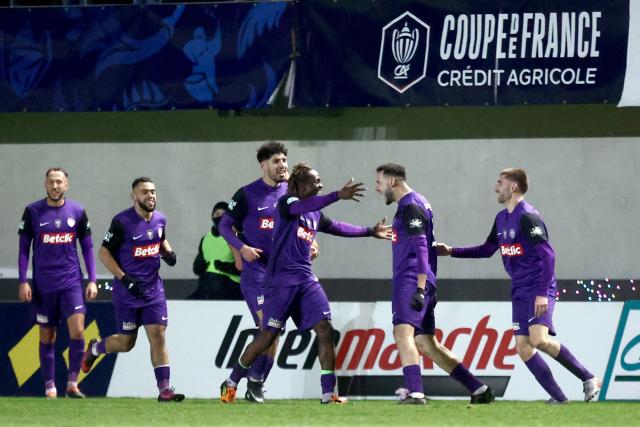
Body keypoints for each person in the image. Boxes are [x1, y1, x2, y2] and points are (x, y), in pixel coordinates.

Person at [220, 163, 391, 404]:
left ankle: (328, 393)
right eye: (316, 181)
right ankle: (231, 382)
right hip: (280, 283)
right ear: (300, 186)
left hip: (305, 280)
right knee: (267, 336)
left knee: (325, 330)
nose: (320, 185)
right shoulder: (287, 204)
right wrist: (336, 196)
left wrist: (369, 231)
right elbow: (303, 205)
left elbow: (337, 227)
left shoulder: (315, 214)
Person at [436, 168, 600, 403]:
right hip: (519, 288)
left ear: (512, 187)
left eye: (499, 182)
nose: (495, 187)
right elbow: (486, 249)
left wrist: (542, 293)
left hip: (538, 286)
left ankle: (588, 378)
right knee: (523, 347)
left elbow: (549, 256)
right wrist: (452, 252)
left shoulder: (528, 216)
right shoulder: (502, 218)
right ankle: (560, 400)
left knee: (539, 340)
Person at [375, 163, 494, 405]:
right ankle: (479, 389)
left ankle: (416, 393)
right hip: (423, 279)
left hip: (412, 280)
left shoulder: (411, 206)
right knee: (425, 343)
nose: (377, 189)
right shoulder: (417, 203)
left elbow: (420, 247)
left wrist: (419, 288)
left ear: (392, 182)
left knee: (402, 332)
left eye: (379, 183)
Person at [80, 177, 185, 402]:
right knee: (127, 343)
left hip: (153, 290)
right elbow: (104, 253)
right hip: (128, 292)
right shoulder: (122, 221)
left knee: (158, 336)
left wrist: (168, 253)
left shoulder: (160, 219)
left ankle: (164, 389)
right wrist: (124, 278)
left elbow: (160, 239)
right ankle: (95, 350)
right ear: (134, 196)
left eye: (153, 191)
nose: (150, 196)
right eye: (145, 192)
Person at [218, 141, 289, 402]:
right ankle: (242, 383)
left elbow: (306, 223)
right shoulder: (247, 194)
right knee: (268, 327)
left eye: (284, 160)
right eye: (276, 161)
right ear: (263, 165)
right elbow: (225, 225)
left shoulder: (292, 192)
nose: (282, 165)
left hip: (284, 273)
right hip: (257, 273)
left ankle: (248, 382)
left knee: (274, 331)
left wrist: (310, 243)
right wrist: (241, 247)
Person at [17, 167, 97, 399]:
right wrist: (23, 281)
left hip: (71, 281)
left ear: (66, 185)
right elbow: (24, 249)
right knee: (47, 336)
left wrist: (92, 280)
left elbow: (88, 247)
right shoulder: (32, 211)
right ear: (45, 184)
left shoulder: (78, 211)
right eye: (51, 182)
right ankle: (50, 387)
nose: (55, 186)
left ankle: (72, 383)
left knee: (78, 330)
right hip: (43, 285)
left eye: (59, 182)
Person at [190, 201, 243, 300]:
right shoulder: (206, 239)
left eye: (224, 214)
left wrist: (226, 267)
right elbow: (197, 268)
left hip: (231, 285)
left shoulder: (237, 237)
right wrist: (199, 265)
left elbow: (246, 267)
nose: (220, 217)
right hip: (207, 283)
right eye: (217, 214)